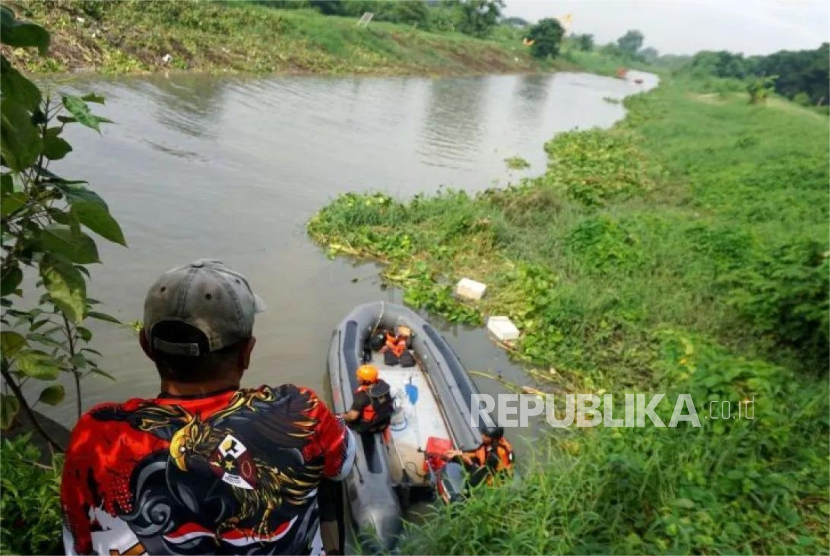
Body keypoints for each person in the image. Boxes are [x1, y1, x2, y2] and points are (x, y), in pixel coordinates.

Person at [60, 260, 355, 556]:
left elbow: (78, 544)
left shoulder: (97, 435)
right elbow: (342, 464)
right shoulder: (300, 408)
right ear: (247, 353)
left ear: (145, 346)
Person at [443, 425, 514, 487]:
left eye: (486, 435)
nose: (482, 436)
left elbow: (483, 472)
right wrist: (459, 453)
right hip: (486, 465)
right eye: (483, 433)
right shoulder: (491, 443)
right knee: (457, 458)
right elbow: (478, 452)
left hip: (493, 477)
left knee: (473, 481)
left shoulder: (494, 456)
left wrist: (470, 463)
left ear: (493, 439)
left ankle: (466, 494)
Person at [341, 364, 394, 435]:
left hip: (370, 428)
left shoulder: (362, 396)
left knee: (342, 419)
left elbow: (352, 417)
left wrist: (342, 416)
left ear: (366, 381)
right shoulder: (383, 387)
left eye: (359, 377)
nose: (357, 378)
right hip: (384, 423)